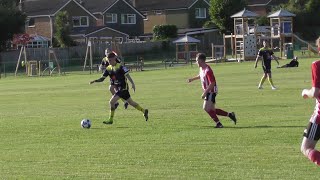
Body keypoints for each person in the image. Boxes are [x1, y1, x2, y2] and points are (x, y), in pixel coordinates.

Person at [90, 52, 148, 124]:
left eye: (110, 60)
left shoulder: (120, 67)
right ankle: (144, 111)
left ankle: (110, 120)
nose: (109, 62)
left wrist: (132, 83)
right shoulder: (109, 68)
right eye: (108, 61)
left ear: (114, 59)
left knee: (111, 102)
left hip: (123, 88)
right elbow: (102, 78)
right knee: (131, 103)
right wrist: (95, 81)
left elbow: (127, 75)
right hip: (119, 88)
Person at [187, 53, 237, 128]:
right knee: (212, 110)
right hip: (208, 91)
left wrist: (205, 92)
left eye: (197, 60)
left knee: (206, 108)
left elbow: (212, 83)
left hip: (211, 91)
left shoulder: (208, 70)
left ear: (201, 60)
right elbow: (200, 76)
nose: (196, 62)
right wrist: (192, 79)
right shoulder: (201, 68)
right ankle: (230, 115)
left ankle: (219, 124)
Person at [301, 60, 320, 166]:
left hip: (319, 117)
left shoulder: (317, 65)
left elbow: (315, 92)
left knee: (306, 147)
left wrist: (305, 92)